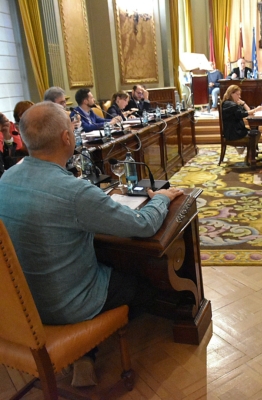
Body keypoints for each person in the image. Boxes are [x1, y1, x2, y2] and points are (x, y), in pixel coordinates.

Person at [0, 101, 183, 386]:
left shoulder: (5, 180)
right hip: (67, 306)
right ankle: (84, 344)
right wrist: (161, 197)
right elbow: (143, 226)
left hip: (20, 308)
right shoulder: (74, 191)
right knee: (144, 284)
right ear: (66, 137)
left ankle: (85, 356)